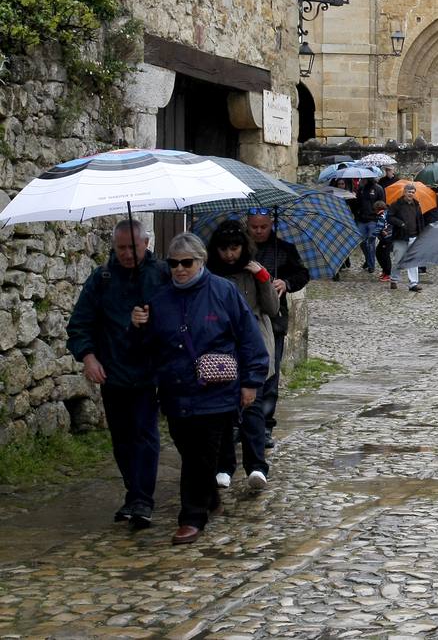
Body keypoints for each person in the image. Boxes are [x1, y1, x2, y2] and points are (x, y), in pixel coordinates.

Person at [141, 232, 269, 545]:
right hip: (176, 390)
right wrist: (139, 325)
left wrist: (252, 381)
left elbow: (249, 338)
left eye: (187, 262)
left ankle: (191, 517)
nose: (180, 269)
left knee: (200, 454)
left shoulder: (224, 292)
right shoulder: (159, 300)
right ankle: (209, 497)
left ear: (201, 261)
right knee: (188, 449)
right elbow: (149, 347)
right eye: (173, 263)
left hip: (217, 390)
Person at [65, 219, 172, 530]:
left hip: (149, 371)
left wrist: (148, 322)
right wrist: (88, 357)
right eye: (121, 248)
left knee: (145, 434)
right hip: (113, 372)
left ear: (146, 244)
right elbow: (80, 324)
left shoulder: (162, 275)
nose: (127, 254)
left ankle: (142, 499)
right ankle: (132, 493)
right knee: (122, 439)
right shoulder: (102, 279)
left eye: (132, 248)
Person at [205, 220, 279, 491]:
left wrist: (263, 279)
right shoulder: (210, 274)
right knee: (223, 410)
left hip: (253, 347)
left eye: (234, 248)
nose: (230, 254)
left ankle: (257, 467)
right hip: (221, 348)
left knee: (253, 408)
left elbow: (272, 308)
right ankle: (224, 465)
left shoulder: (254, 272)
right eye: (224, 249)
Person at [246, 210, 310, 449]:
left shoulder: (284, 249)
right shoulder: (239, 249)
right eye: (254, 227)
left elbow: (302, 274)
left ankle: (264, 425)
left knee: (270, 373)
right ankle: (241, 423)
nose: (259, 231)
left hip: (274, 319)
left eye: (263, 227)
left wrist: (286, 282)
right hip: (244, 317)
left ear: (270, 225)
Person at [387, 181, 426, 292]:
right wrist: (400, 223)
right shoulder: (396, 205)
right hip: (400, 237)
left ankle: (413, 284)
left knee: (413, 260)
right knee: (398, 260)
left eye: (413, 192)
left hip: (414, 236)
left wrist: (421, 234)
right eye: (409, 192)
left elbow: (420, 220)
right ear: (404, 192)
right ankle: (394, 279)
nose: (411, 194)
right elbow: (389, 217)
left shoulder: (417, 205)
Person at [353, 178, 384, 272]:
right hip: (361, 219)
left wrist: (379, 216)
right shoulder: (361, 188)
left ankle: (371, 265)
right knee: (361, 242)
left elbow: (382, 204)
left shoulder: (378, 189)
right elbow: (357, 203)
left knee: (370, 242)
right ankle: (368, 259)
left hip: (373, 220)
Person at [372, 200, 394, 282]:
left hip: (387, 238)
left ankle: (387, 273)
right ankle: (385, 271)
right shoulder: (388, 213)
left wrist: (371, 237)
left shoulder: (382, 215)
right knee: (380, 253)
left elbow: (378, 228)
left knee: (384, 255)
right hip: (388, 237)